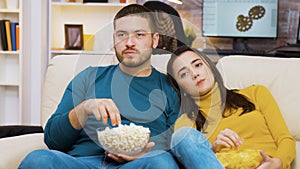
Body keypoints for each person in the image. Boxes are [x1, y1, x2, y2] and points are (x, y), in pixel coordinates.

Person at [18, 4, 181, 169]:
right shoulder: (88, 77)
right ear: (114, 39)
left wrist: (146, 152)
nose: (129, 42)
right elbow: (53, 140)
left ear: (154, 40)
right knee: (38, 159)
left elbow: (177, 142)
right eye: (122, 35)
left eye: (139, 35)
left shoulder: (169, 88)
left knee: (162, 163)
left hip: (139, 164)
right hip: (82, 162)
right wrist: (83, 109)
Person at [167, 45, 296, 169]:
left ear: (210, 67)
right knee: (182, 136)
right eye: (184, 74)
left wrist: (277, 163)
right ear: (180, 87)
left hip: (268, 165)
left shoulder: (256, 93)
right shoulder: (186, 123)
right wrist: (212, 148)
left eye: (198, 65)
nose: (194, 74)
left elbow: (285, 139)